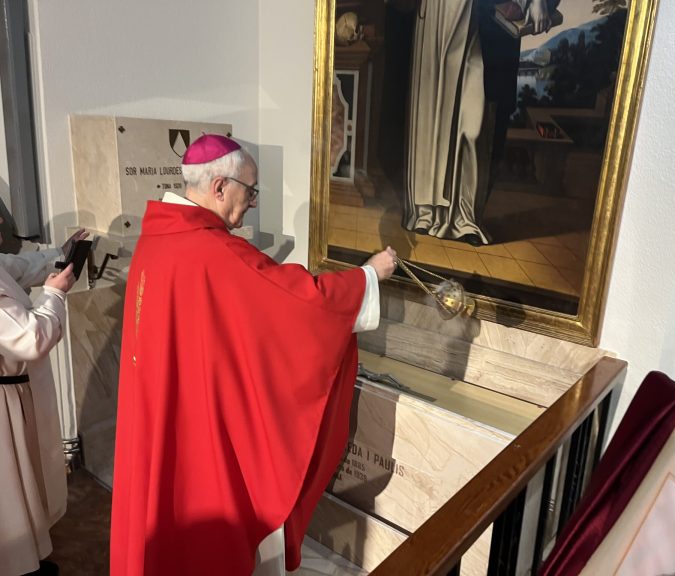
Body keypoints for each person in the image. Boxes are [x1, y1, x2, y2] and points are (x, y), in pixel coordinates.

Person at [110, 134, 398, 576]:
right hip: (200, 435)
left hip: (164, 417)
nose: (251, 204)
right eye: (250, 191)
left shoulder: (157, 239)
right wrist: (368, 276)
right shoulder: (213, 252)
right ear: (220, 187)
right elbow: (301, 303)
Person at [403, 0, 555, 246]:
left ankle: (466, 216)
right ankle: (427, 211)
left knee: (474, 127)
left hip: (484, 24)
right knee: (432, 111)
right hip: (438, 16)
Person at [0, 222, 86, 576]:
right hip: (4, 404)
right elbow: (29, 337)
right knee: (10, 493)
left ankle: (28, 557)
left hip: (13, 394)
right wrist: (54, 296)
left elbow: (15, 268)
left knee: (24, 485)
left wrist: (59, 256)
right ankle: (17, 566)